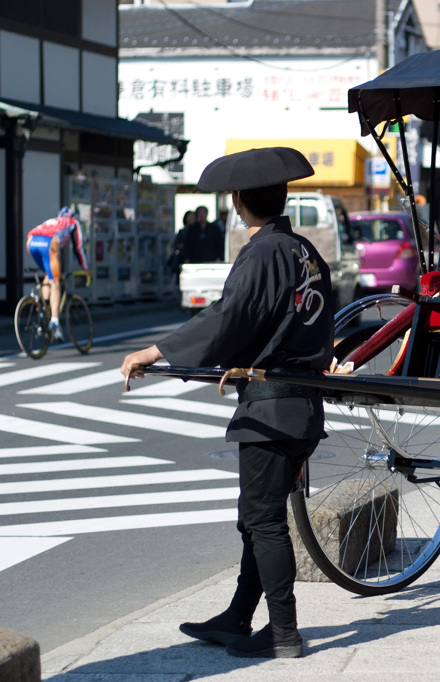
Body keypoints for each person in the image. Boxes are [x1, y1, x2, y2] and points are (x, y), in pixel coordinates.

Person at [120, 147, 333, 659]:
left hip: (271, 408)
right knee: (257, 516)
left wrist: (157, 350)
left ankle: (283, 634)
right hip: (300, 403)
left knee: (263, 521)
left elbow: (228, 318)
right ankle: (238, 617)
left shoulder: (262, 253)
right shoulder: (305, 250)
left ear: (239, 201)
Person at [25, 206, 89, 341]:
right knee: (56, 282)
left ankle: (44, 310)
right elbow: (78, 248)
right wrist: (85, 268)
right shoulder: (72, 222)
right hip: (49, 242)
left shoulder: (53, 220)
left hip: (31, 240)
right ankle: (54, 322)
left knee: (49, 276)